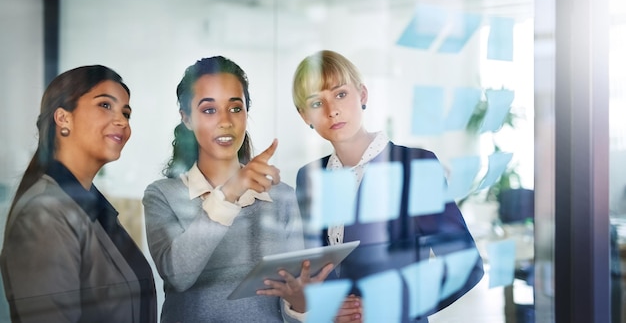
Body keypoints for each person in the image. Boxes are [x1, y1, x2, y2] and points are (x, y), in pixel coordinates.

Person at [292, 50, 485, 322]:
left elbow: (465, 266)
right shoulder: (310, 177)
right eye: (316, 102)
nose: (331, 110)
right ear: (304, 116)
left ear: (363, 95)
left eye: (340, 94)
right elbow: (317, 270)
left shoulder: (415, 166)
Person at [142, 56, 331, 323]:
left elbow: (293, 307)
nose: (225, 121)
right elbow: (178, 275)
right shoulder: (163, 195)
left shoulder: (282, 197)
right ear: (186, 118)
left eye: (235, 108)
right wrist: (230, 193)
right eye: (209, 110)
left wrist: (300, 306)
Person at [0, 65, 157, 323]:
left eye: (126, 113)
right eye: (105, 105)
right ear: (63, 118)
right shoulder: (44, 214)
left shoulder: (90, 207)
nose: (122, 121)